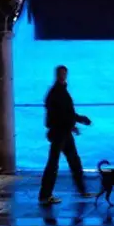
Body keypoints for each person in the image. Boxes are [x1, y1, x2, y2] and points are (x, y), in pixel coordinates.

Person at [39, 65, 93, 205]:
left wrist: (74, 123)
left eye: (64, 73)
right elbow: (61, 114)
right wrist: (77, 121)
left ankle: (81, 190)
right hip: (59, 133)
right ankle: (45, 195)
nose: (63, 76)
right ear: (57, 75)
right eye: (61, 73)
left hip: (63, 132)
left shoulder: (59, 91)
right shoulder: (57, 92)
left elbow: (65, 114)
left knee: (73, 161)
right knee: (54, 163)